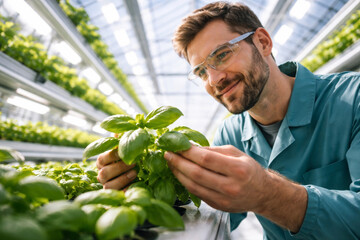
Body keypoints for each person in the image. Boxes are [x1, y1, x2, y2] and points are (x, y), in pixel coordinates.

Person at [96, 1, 360, 239]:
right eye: (200, 72)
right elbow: (214, 212)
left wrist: (269, 194)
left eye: (221, 55)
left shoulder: (352, 97)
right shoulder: (230, 133)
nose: (213, 80)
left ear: (263, 42)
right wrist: (139, 185)